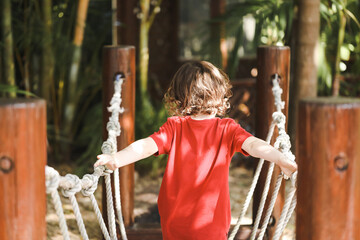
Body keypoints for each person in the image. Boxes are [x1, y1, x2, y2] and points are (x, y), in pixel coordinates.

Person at [94, 61, 298, 240]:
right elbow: (254, 145)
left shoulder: (175, 127)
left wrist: (117, 158)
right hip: (211, 224)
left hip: (174, 221)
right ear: (219, 93)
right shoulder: (226, 129)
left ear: (179, 96)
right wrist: (279, 158)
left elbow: (145, 146)